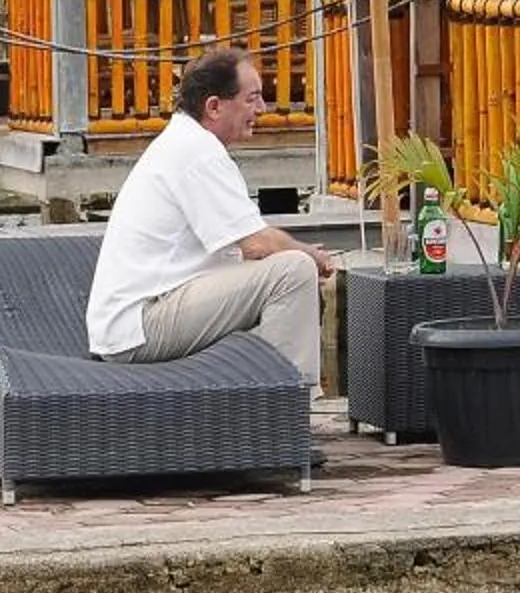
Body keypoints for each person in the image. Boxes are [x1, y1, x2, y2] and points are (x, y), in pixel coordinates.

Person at [86, 48, 334, 380]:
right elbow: (257, 243)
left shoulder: (185, 142)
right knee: (293, 271)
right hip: (141, 326)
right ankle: (287, 404)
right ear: (214, 106)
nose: (262, 109)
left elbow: (245, 247)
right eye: (253, 98)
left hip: (139, 319)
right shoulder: (196, 151)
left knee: (280, 267)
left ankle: (260, 395)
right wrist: (311, 255)